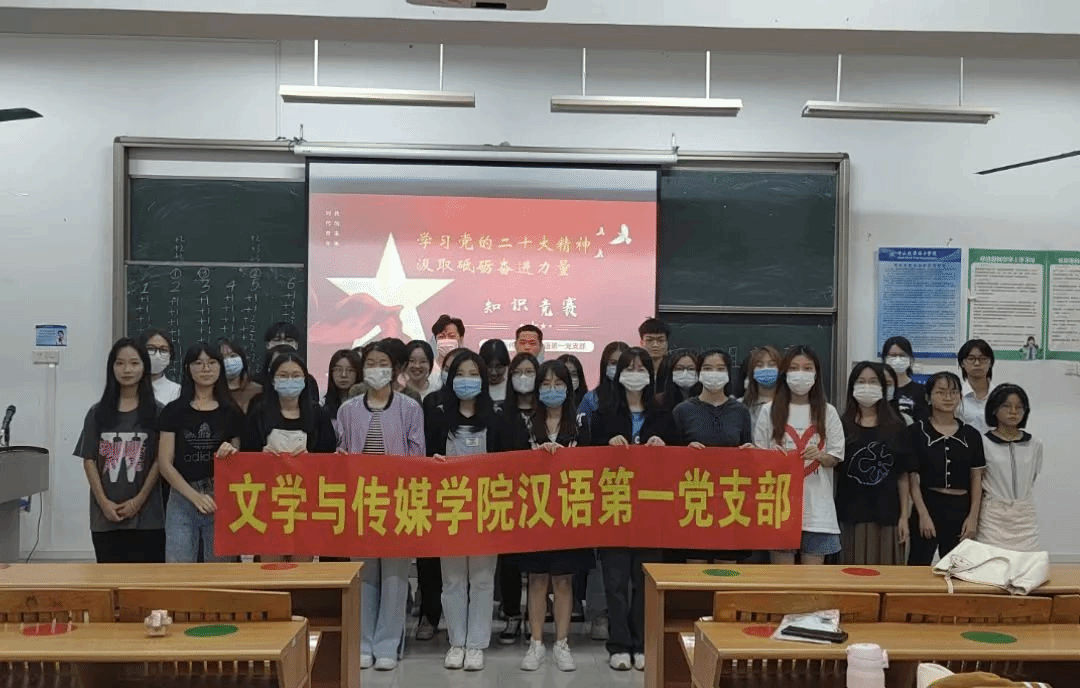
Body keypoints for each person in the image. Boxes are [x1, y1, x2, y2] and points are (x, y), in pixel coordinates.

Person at [336, 341, 425, 671]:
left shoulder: (409, 408)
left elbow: (418, 456)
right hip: (360, 503)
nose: (376, 369)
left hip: (398, 502)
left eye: (382, 363)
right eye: (370, 363)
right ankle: (363, 642)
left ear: (395, 369)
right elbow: (341, 452)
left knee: (395, 577)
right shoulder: (348, 410)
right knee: (364, 575)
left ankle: (387, 643)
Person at [424, 350, 514, 672]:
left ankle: (476, 644)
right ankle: (456, 642)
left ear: (483, 379)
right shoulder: (438, 417)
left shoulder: (497, 418)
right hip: (448, 509)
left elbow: (510, 465)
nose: (467, 381)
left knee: (482, 579)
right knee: (452, 580)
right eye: (460, 375)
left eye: (473, 374)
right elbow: (423, 462)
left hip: (485, 510)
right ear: (450, 380)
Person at [589, 346, 673, 672]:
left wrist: (665, 447)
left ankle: (642, 643)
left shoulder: (663, 415)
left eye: (641, 369)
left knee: (644, 582)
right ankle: (619, 644)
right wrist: (606, 446)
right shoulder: (603, 415)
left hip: (651, 512)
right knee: (615, 582)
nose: (635, 374)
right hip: (614, 509)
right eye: (629, 368)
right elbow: (587, 460)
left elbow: (680, 462)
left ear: (651, 375)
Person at [518, 360, 593, 672]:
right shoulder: (525, 423)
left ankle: (562, 643)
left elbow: (591, 464)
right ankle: (536, 643)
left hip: (568, 513)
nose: (552, 390)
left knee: (563, 581)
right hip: (535, 513)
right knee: (537, 580)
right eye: (546, 384)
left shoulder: (582, 423)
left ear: (569, 388)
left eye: (558, 384)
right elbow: (512, 465)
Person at [753, 345, 844, 565]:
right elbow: (757, 458)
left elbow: (835, 457)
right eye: (794, 368)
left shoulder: (828, 411)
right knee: (783, 580)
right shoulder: (769, 410)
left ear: (816, 374)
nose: (800, 374)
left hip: (818, 512)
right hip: (780, 508)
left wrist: (820, 455)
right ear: (785, 373)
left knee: (812, 581)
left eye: (807, 368)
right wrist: (773, 458)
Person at [76, 338, 165, 563]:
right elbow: (89, 460)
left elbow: (160, 461)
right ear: (111, 367)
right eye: (120, 363)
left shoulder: (157, 412)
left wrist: (138, 501)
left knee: (147, 580)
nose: (127, 370)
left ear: (144, 367)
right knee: (110, 580)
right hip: (106, 517)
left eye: (134, 363)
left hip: (148, 518)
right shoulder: (97, 413)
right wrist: (104, 503)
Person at [242, 351, 337, 562]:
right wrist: (260, 458)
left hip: (307, 502)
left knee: (302, 569)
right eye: (283, 376)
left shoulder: (317, 414)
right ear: (273, 380)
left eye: (296, 376)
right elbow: (245, 458)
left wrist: (312, 460)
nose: (289, 381)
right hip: (268, 502)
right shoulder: (259, 413)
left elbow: (329, 460)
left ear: (305, 380)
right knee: (270, 569)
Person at [156, 342, 243, 563]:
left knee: (219, 569)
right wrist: (194, 496)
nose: (206, 368)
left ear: (220, 367)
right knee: (178, 567)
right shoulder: (173, 411)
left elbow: (240, 460)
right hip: (182, 495)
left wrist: (231, 453)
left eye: (212, 362)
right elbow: (165, 463)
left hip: (221, 496)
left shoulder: (231, 411)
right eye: (198, 363)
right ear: (188, 368)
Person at [671, 349, 752, 563]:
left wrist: (749, 452)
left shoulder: (740, 411)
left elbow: (748, 451)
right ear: (699, 373)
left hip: (729, 502)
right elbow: (669, 458)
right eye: (707, 368)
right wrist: (684, 452)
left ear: (728, 374)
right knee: (694, 567)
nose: (713, 373)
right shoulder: (682, 411)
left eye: (720, 369)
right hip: (694, 501)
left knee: (726, 569)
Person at [835, 362, 914, 566]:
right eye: (861, 382)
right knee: (851, 573)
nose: (867, 387)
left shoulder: (896, 426)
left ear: (883, 387)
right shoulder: (841, 425)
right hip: (850, 516)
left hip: (887, 516)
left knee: (886, 574)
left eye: (873, 382)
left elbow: (903, 476)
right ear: (852, 387)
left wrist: (904, 517)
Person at [907, 371, 985, 566]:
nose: (948, 397)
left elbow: (977, 478)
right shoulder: (916, 432)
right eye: (941, 392)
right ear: (929, 397)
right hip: (928, 504)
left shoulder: (971, 435)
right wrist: (923, 514)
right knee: (918, 565)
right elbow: (912, 478)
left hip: (960, 508)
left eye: (953, 392)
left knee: (957, 568)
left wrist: (973, 517)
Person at [494, 350, 539, 644]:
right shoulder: (501, 413)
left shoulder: (547, 410)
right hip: (508, 495)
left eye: (529, 372)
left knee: (537, 560)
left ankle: (536, 613)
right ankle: (511, 613)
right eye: (519, 373)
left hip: (542, 496)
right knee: (509, 560)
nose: (524, 378)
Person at [978, 384, 1042, 551]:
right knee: (992, 561)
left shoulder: (1034, 444)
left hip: (1024, 515)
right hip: (993, 515)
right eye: (1006, 406)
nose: (1013, 412)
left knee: (1027, 562)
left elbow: (1033, 476)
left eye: (1019, 407)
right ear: (994, 409)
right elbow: (977, 480)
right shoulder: (982, 443)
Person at [578, 341, 629, 418]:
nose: (618, 367)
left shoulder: (639, 398)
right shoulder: (591, 399)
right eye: (613, 363)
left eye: (622, 363)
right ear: (605, 365)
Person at [881, 336, 928, 420]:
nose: (898, 359)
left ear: (910, 359)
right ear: (884, 359)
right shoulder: (879, 388)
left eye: (902, 355)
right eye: (893, 355)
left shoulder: (921, 390)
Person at [740, 345, 781, 434]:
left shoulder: (789, 404)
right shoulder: (740, 406)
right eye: (759, 365)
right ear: (752, 372)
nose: (766, 369)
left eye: (771, 365)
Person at [958, 339, 996, 434]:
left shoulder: (1001, 396)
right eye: (971, 359)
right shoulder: (955, 396)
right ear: (962, 363)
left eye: (983, 359)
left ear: (990, 363)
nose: (977, 363)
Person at [139, 328, 181, 405]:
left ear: (170, 356)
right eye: (151, 348)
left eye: (163, 350)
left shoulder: (177, 391)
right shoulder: (129, 387)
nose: (157, 355)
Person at [219, 338, 262, 413]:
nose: (228, 361)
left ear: (242, 359)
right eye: (223, 358)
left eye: (233, 356)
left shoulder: (258, 390)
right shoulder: (212, 393)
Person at [657, 348, 699, 413]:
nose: (685, 373)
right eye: (679, 369)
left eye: (691, 369)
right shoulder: (660, 401)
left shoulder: (706, 400)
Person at [323, 348, 362, 418]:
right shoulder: (322, 406)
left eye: (350, 370)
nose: (343, 375)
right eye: (338, 369)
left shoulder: (367, 404)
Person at [431, 314, 466, 382]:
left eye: (451, 336)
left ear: (461, 339)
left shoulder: (469, 368)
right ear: (436, 340)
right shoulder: (429, 369)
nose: (446, 340)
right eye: (441, 337)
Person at [480, 338, 511, 403]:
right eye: (489, 367)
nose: (493, 373)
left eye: (499, 367)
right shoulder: (474, 388)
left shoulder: (514, 387)